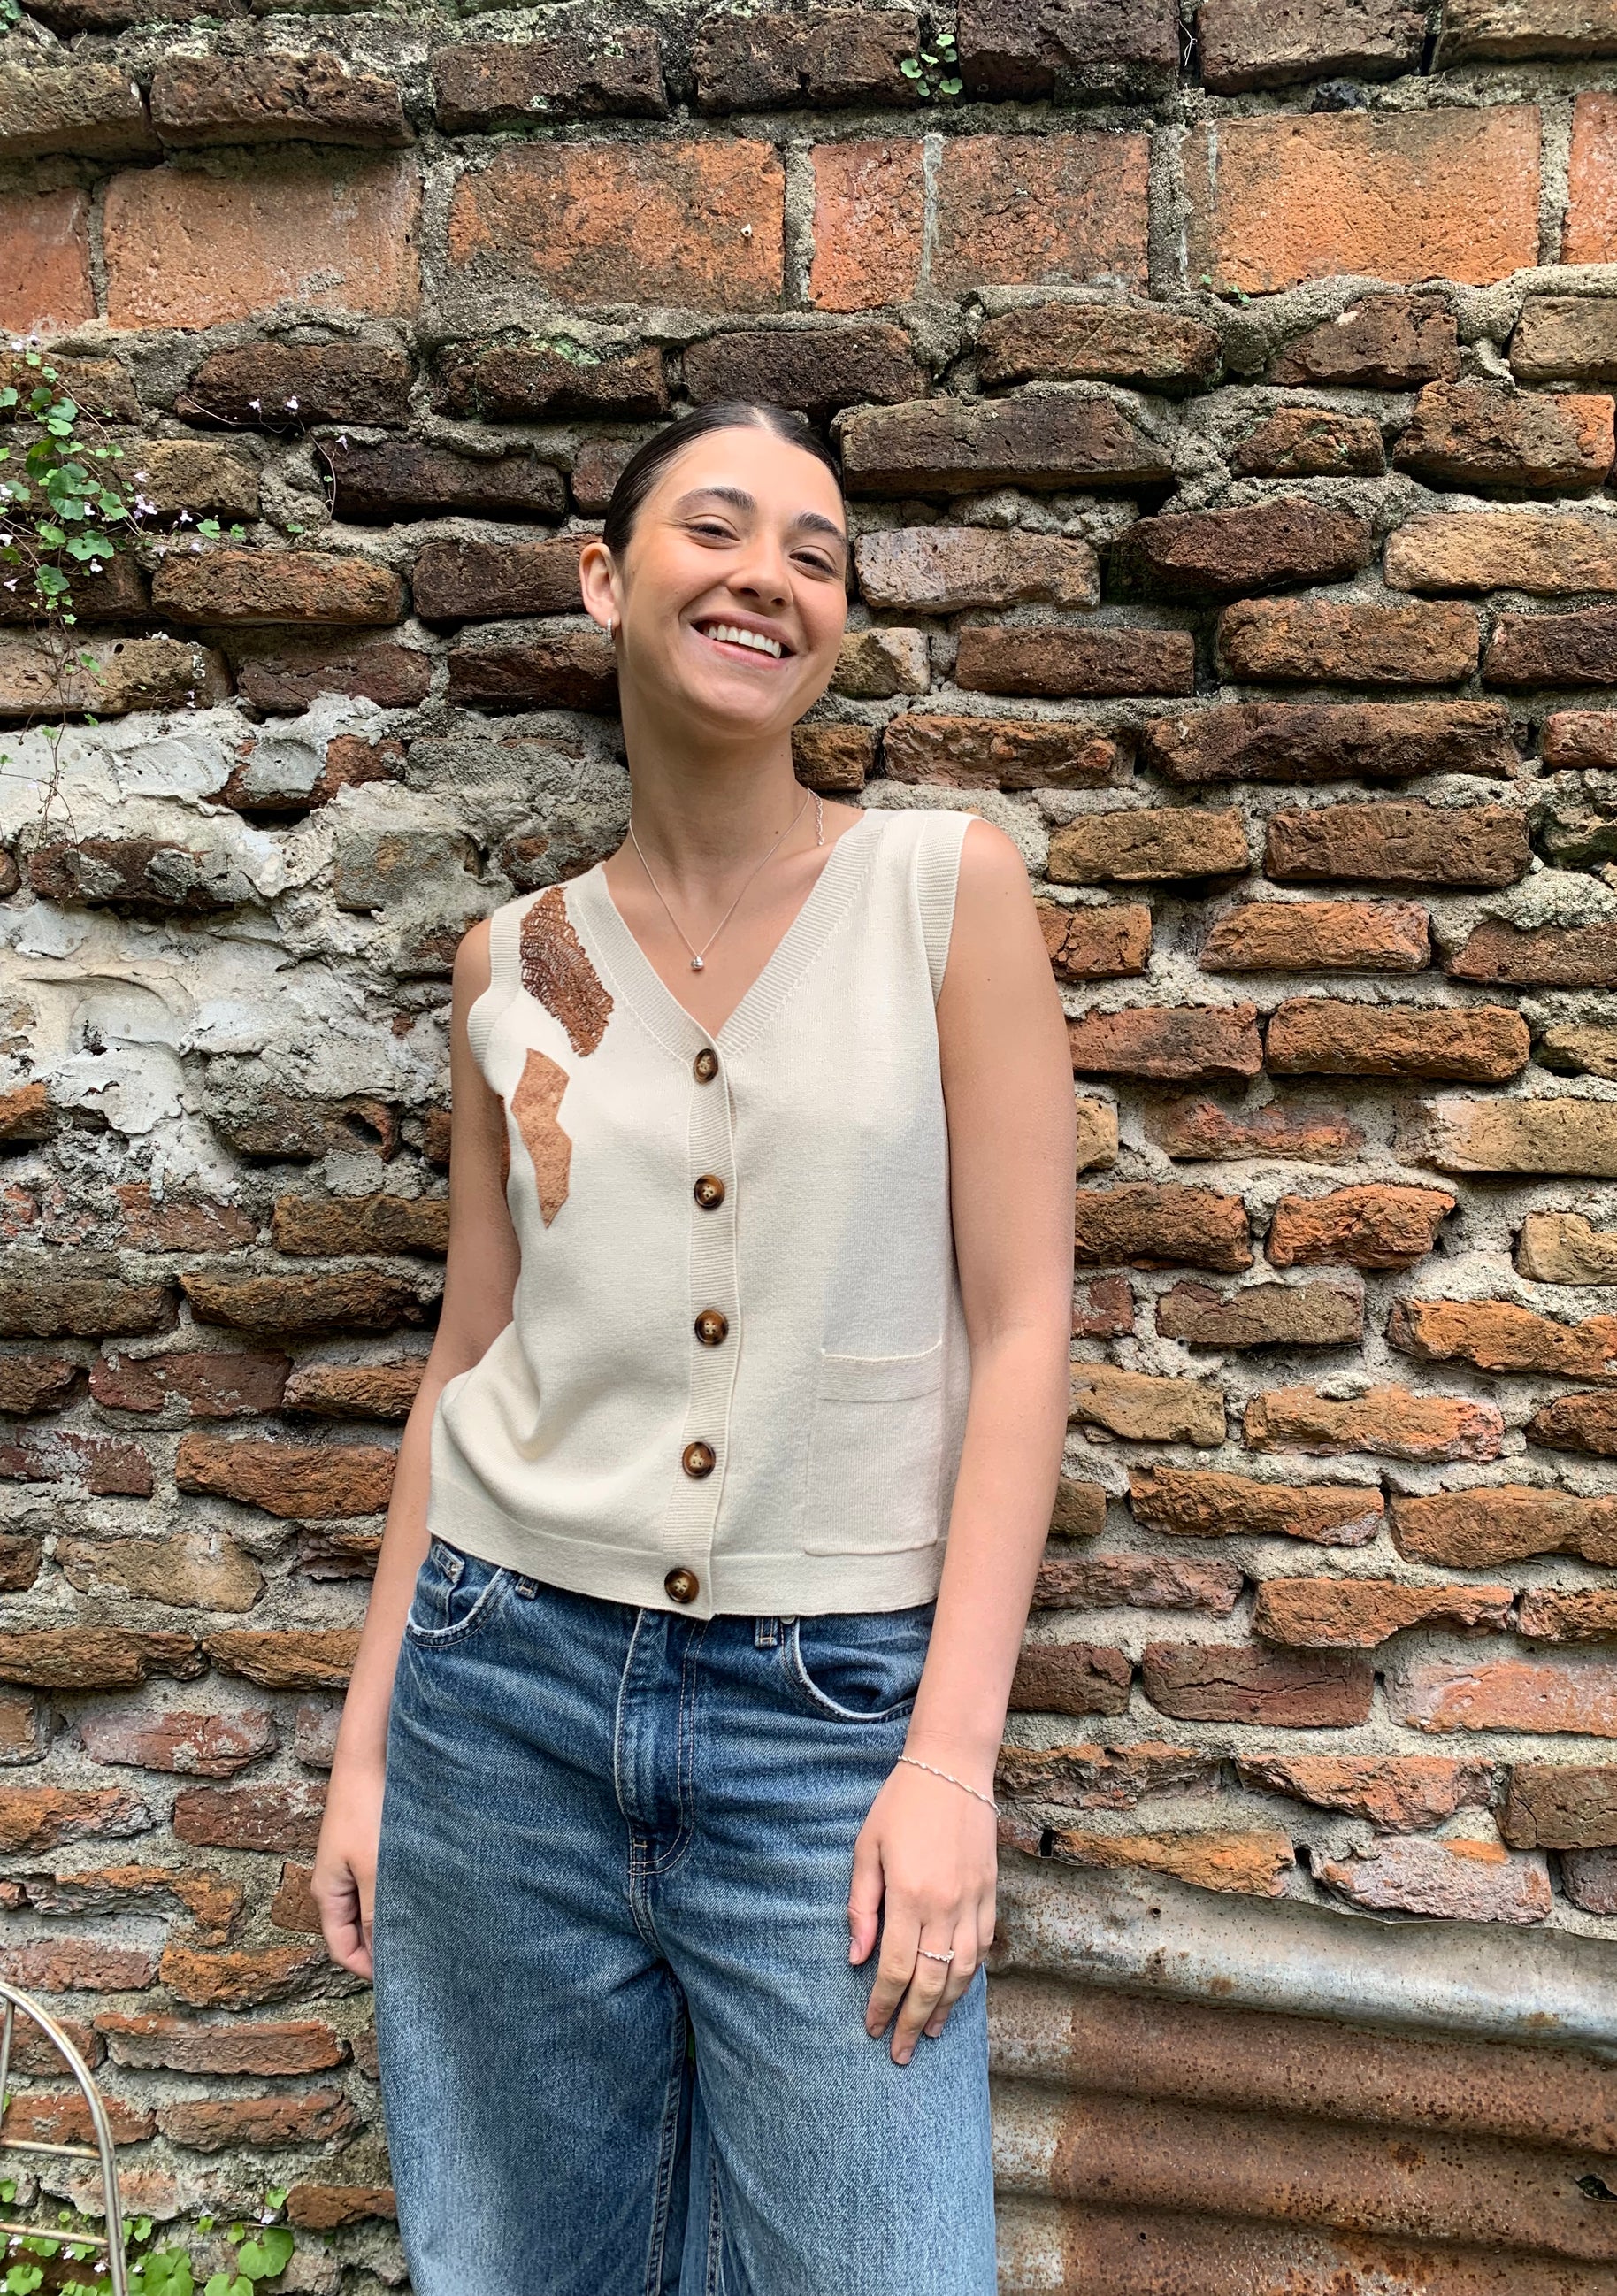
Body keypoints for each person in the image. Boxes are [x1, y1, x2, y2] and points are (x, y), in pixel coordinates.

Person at [310, 399, 1076, 2294]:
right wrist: (368, 1747)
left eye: (815, 555)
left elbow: (1022, 1324)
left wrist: (951, 1761)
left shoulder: (941, 892)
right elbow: (470, 1350)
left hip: (832, 1718)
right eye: (716, 530)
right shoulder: (514, 964)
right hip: (499, 1692)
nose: (767, 579)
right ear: (605, 577)